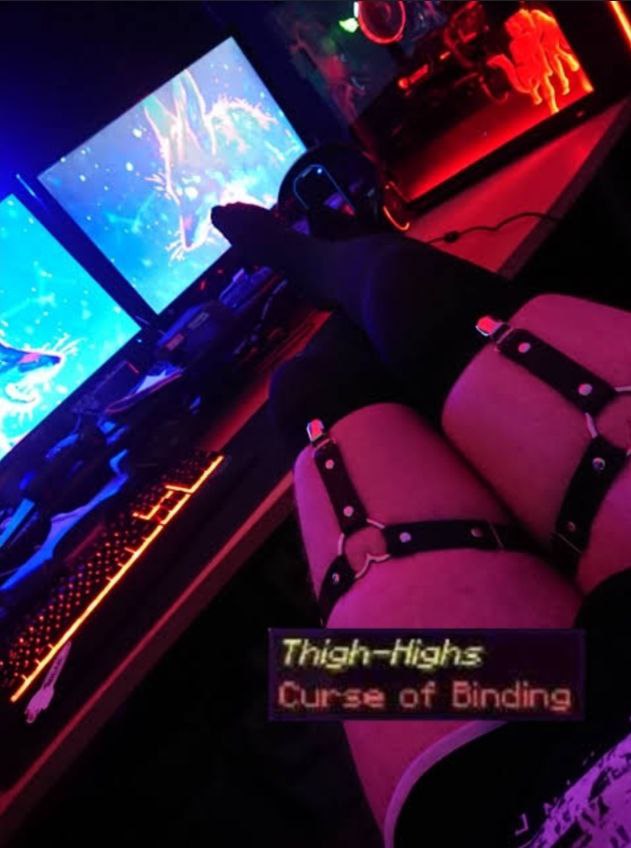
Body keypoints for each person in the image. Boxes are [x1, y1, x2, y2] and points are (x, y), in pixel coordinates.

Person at [212, 202, 631, 846]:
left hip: (524, 787)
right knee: (395, 294)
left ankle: (337, 264)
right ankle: (343, 266)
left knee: (306, 385)